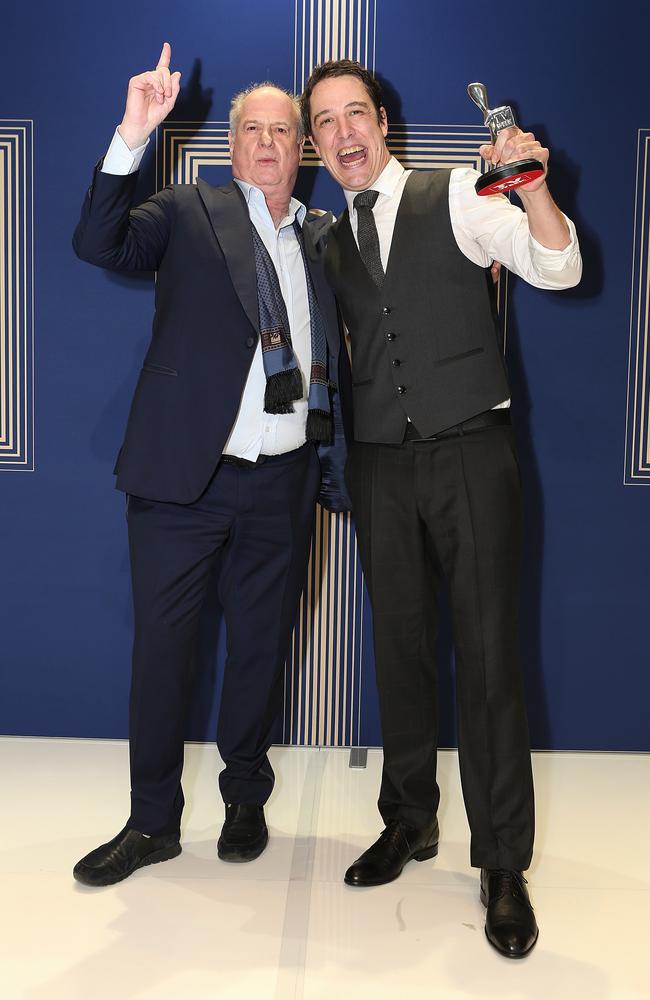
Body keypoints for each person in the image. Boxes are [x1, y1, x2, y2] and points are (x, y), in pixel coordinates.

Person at [301, 59, 582, 958]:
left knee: (493, 656)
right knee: (400, 649)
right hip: (381, 464)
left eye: (356, 115)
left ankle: (502, 865)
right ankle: (410, 819)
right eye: (325, 124)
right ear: (315, 146)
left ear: (382, 122)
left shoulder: (457, 194)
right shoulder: (328, 239)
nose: (343, 134)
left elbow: (557, 267)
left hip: (471, 451)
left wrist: (535, 192)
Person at [71, 43, 351, 887]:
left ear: (301, 150)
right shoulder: (188, 211)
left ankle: (245, 801)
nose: (269, 143)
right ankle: (152, 822)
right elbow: (100, 242)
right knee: (163, 655)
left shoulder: (329, 238)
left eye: (284, 132)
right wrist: (131, 133)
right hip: (182, 484)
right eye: (253, 130)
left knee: (261, 652)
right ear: (232, 147)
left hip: (285, 482)